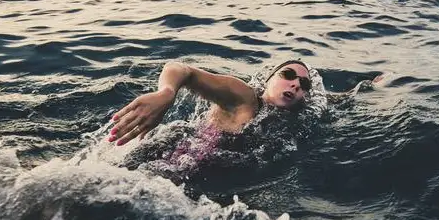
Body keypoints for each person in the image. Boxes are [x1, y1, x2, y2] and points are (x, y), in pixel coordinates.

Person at [108, 59, 314, 147]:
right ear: (269, 80)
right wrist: (167, 93)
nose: (295, 84)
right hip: (173, 160)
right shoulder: (244, 97)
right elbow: (182, 69)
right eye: (288, 75)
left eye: (303, 84)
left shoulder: (292, 116)